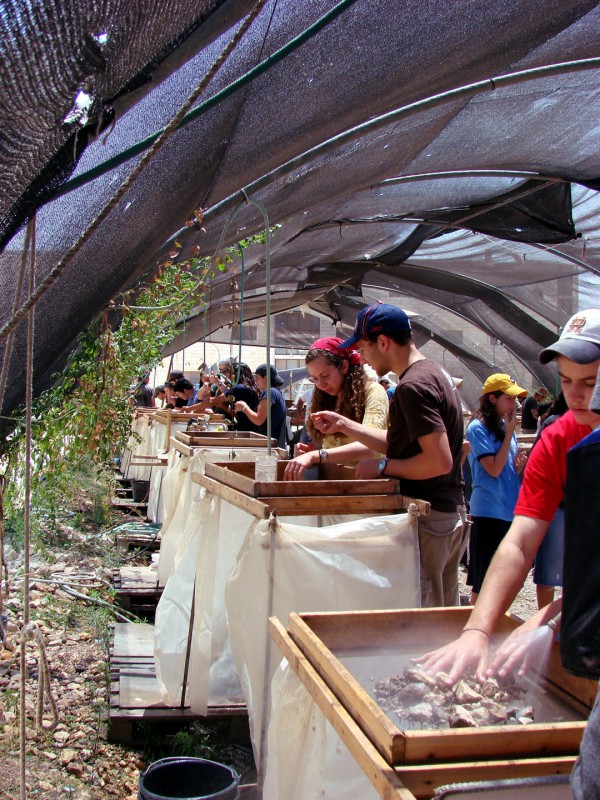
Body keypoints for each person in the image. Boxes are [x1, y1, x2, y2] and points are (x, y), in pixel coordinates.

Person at [418, 307, 600, 682]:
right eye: (566, 380)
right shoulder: (557, 440)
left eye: (591, 381)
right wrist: (478, 630)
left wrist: (551, 618)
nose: (576, 394)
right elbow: (520, 541)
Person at [309, 303, 466, 607]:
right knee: (444, 612)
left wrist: (383, 467)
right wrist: (344, 424)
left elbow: (439, 461)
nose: (362, 357)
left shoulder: (412, 387)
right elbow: (403, 443)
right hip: (446, 513)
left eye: (363, 347)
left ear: (383, 342)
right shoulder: (434, 373)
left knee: (424, 616)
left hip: (429, 516)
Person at [283, 337, 388, 480]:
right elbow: (333, 452)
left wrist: (317, 456)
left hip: (366, 487)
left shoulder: (373, 392)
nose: (321, 384)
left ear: (344, 366)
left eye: (325, 375)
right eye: (314, 379)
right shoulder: (329, 398)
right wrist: (316, 452)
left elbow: (370, 448)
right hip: (337, 483)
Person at [465, 374, 528, 604]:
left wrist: (517, 468)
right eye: (509, 398)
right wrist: (510, 433)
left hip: (508, 509)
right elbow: (492, 469)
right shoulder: (477, 428)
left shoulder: (503, 426)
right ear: (492, 399)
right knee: (483, 582)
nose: (515, 404)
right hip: (489, 512)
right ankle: (474, 629)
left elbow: (501, 469)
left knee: (505, 579)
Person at [234, 364, 287, 449]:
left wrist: (244, 407)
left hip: (268, 446)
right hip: (273, 445)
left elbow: (259, 420)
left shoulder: (270, 392)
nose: (255, 381)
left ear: (266, 378)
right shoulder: (276, 393)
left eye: (257, 378)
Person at [211, 361, 259, 431]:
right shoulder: (250, 387)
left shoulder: (240, 388)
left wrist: (190, 409)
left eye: (227, 371)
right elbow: (238, 414)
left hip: (245, 430)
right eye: (221, 370)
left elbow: (214, 400)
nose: (226, 374)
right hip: (247, 428)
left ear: (236, 374)